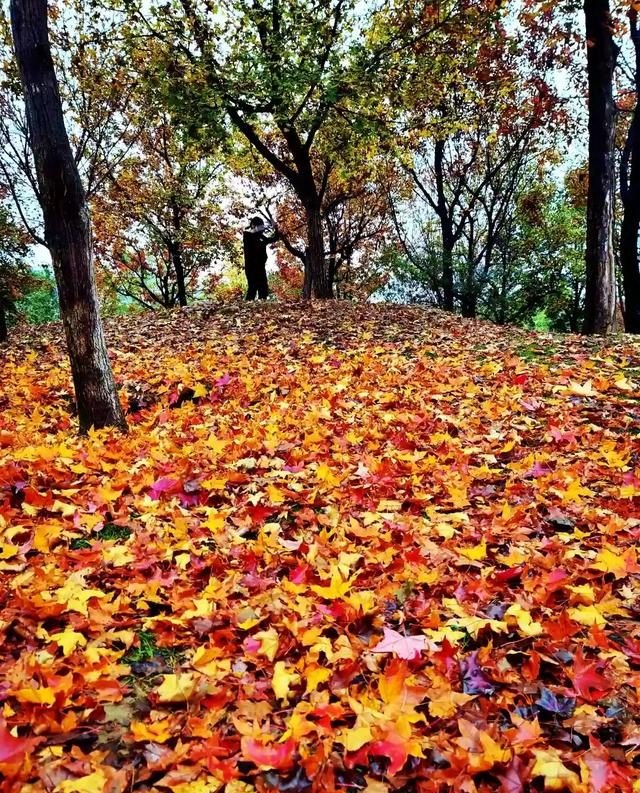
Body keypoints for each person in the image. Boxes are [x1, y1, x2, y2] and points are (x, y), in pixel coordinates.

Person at [243, 216, 278, 301]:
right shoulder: (248, 235)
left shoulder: (261, 236)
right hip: (251, 266)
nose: (261, 228)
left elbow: (274, 238)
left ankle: (263, 305)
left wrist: (276, 228)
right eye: (259, 226)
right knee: (253, 287)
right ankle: (247, 306)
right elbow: (253, 242)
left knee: (263, 287)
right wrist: (258, 231)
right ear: (253, 225)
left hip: (260, 266)